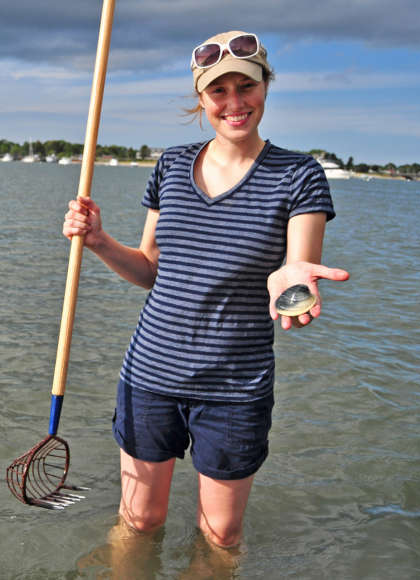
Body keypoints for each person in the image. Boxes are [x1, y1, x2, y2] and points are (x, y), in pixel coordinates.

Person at [63, 30, 349, 551]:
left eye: (247, 87)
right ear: (201, 99)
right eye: (219, 91)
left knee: (221, 536)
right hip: (151, 373)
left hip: (235, 387)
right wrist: (100, 241)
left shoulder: (299, 175)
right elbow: (151, 269)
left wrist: (292, 281)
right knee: (139, 523)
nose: (234, 103)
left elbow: (298, 265)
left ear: (267, 87)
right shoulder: (171, 165)